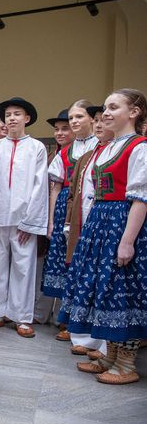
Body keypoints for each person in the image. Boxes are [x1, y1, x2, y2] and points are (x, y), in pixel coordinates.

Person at [59, 89, 147, 384]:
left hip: (120, 224)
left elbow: (141, 199)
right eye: (105, 108)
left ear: (134, 112)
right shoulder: (108, 147)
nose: (105, 113)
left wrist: (127, 240)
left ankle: (126, 363)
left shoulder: (139, 147)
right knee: (103, 287)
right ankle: (109, 355)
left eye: (113, 107)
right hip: (101, 222)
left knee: (121, 289)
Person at [0, 97, 49, 338]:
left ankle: (22, 316)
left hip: (22, 219)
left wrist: (31, 220)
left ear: (27, 118)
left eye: (17, 114)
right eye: (8, 115)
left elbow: (40, 186)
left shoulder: (36, 147)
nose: (12, 118)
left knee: (23, 267)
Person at [44, 101, 99, 353]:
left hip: (89, 206)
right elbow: (55, 187)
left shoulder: (100, 146)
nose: (75, 121)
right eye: (72, 117)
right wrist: (53, 219)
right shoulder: (65, 151)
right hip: (65, 206)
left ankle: (85, 321)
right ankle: (66, 318)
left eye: (79, 117)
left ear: (92, 119)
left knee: (85, 263)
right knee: (64, 264)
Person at [33, 109, 74, 334]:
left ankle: (66, 316)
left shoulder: (84, 152)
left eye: (64, 128)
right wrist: (49, 220)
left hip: (74, 207)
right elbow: (53, 189)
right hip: (57, 210)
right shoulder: (58, 156)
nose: (59, 133)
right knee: (54, 262)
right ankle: (45, 313)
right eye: (56, 129)